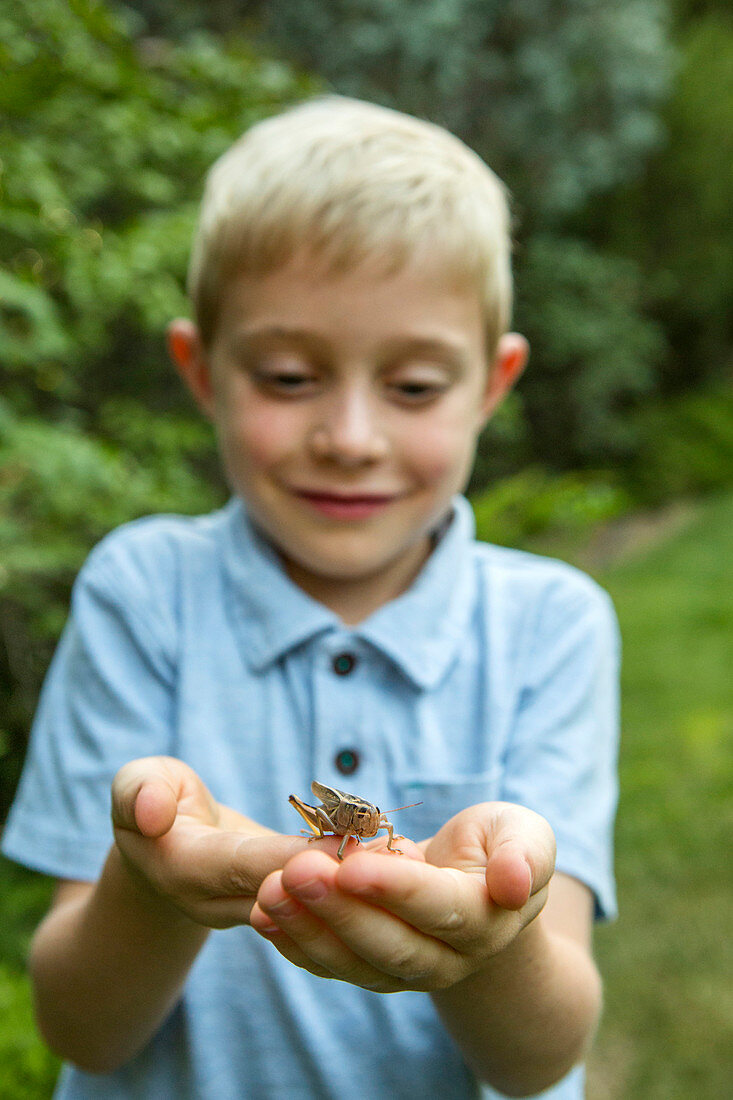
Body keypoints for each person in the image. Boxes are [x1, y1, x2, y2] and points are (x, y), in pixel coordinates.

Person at [1, 96, 619, 1099]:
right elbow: (80, 1026)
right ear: (199, 370)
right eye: (289, 375)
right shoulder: (141, 590)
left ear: (492, 386)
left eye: (413, 385)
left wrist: (495, 934)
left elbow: (542, 1054)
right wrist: (155, 881)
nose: (349, 435)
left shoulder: (554, 624)